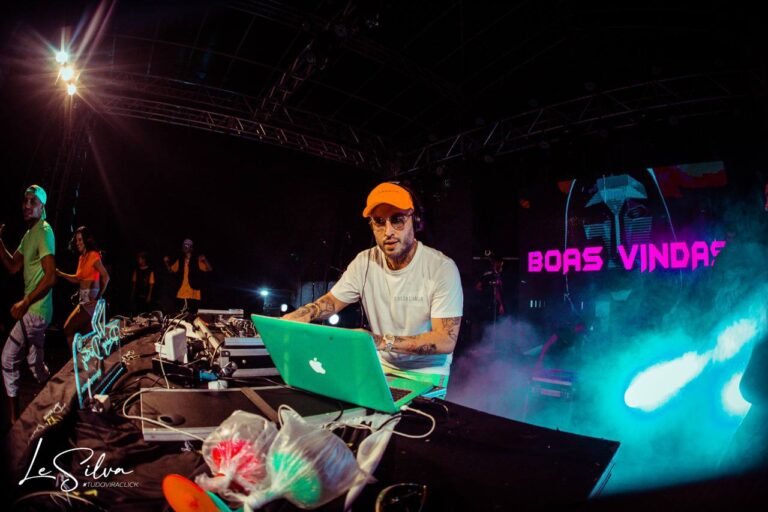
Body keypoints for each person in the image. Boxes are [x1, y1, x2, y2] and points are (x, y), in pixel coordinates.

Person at [283, 182, 463, 391]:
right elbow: (332, 302)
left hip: (427, 372)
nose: (388, 231)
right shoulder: (364, 262)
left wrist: (381, 341)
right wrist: (301, 315)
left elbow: (445, 339)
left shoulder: (441, 268)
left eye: (397, 220)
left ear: (416, 221)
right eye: (379, 222)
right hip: (381, 366)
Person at [0, 185, 55, 423]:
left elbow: (50, 277)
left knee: (7, 358)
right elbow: (13, 266)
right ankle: (55, 399)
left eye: (33, 202)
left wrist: (26, 301)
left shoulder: (43, 231)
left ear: (42, 207)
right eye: (25, 201)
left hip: (36, 309)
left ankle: (14, 421)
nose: (26, 205)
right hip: (36, 309)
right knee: (35, 364)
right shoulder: (29, 234)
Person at [56, 226, 110, 345]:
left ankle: (76, 357)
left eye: (80, 240)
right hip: (83, 300)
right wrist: (61, 274)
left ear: (86, 240)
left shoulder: (93, 255)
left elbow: (106, 277)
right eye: (76, 240)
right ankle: (87, 356)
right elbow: (77, 279)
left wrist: (98, 298)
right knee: (86, 336)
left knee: (68, 328)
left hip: (90, 302)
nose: (77, 243)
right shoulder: (81, 258)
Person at [163, 239, 212, 314]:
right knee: (182, 313)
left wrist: (205, 260)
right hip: (182, 292)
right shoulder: (180, 260)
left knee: (193, 314)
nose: (185, 247)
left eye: (187, 245)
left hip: (194, 292)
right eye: (184, 245)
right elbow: (171, 271)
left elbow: (209, 269)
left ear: (191, 248)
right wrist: (166, 262)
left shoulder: (197, 260)